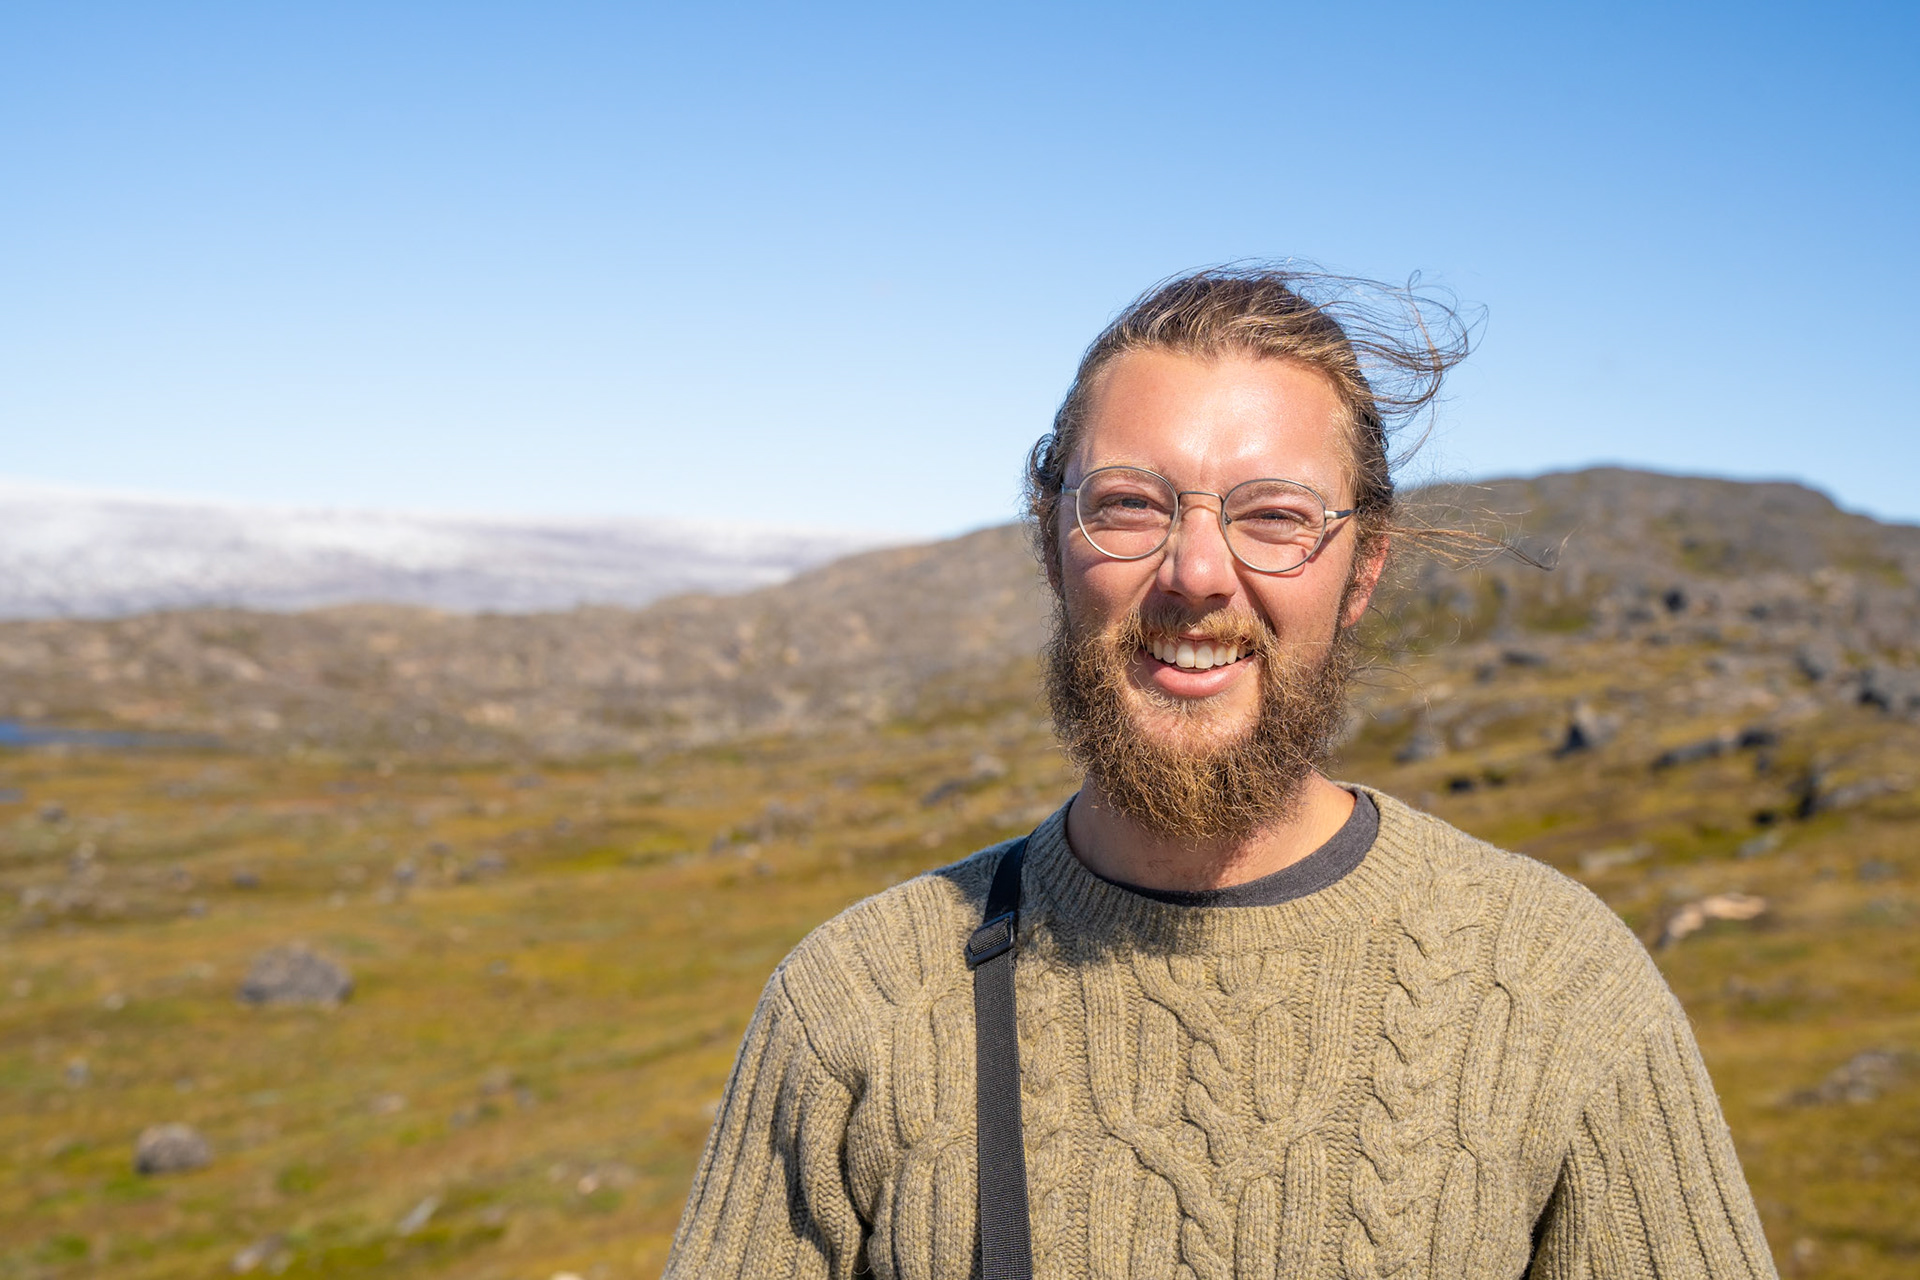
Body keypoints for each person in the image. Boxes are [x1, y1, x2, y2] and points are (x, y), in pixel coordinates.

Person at [663, 268, 1777, 1279]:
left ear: (1362, 570)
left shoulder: (1561, 987)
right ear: (1052, 542)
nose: (1198, 572)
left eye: (1276, 517)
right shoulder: (854, 1002)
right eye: (1130, 506)